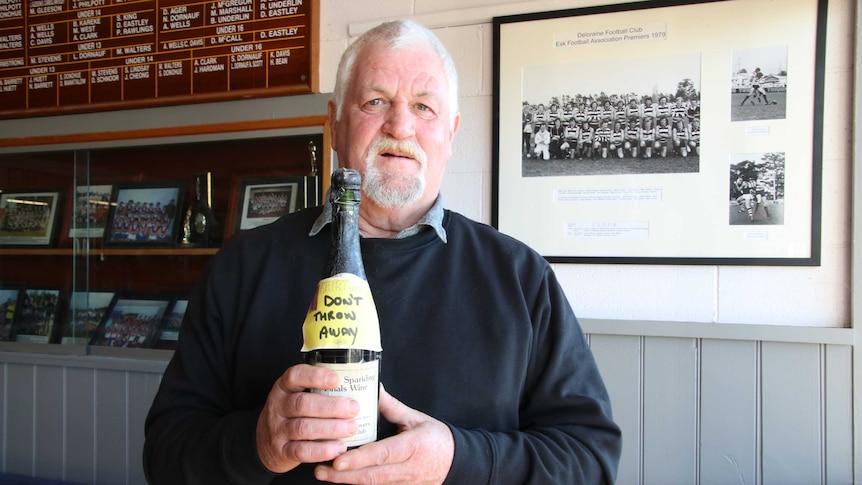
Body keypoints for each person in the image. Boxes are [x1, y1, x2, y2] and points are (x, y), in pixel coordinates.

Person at [143, 19, 621, 485]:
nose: (400, 125)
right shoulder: (241, 268)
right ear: (334, 121)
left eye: (423, 107)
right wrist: (257, 444)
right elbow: (164, 454)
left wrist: (460, 461)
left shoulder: (520, 276)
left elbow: (590, 458)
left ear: (451, 133)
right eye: (375, 101)